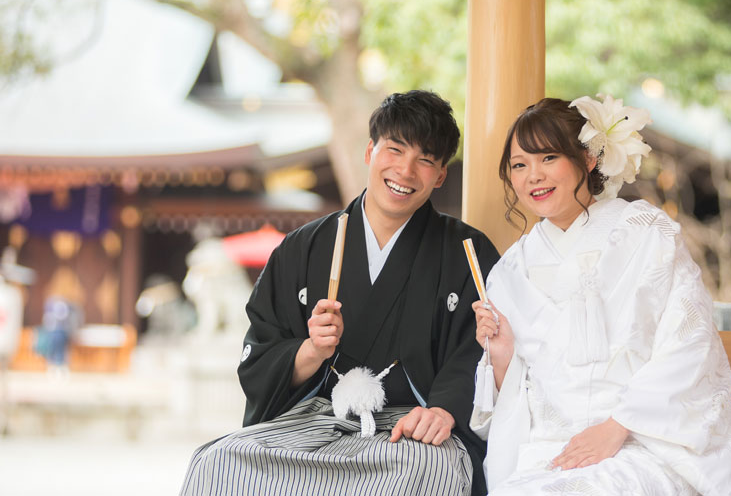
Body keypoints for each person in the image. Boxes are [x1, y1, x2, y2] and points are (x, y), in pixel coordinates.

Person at [181, 90, 500, 496]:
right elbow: (260, 354)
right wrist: (311, 350)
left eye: (425, 160)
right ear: (370, 151)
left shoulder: (467, 252)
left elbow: (482, 350)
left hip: (411, 430)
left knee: (426, 472)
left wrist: (444, 409)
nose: (405, 171)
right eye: (394, 150)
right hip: (314, 420)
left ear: (440, 175)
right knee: (217, 461)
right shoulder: (304, 247)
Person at [470, 96, 731, 496]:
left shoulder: (647, 233)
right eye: (519, 165)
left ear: (588, 158)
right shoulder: (509, 273)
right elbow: (512, 403)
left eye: (549, 157)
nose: (533, 175)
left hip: (643, 442)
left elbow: (688, 342)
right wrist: (502, 358)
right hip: (547, 452)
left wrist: (617, 426)